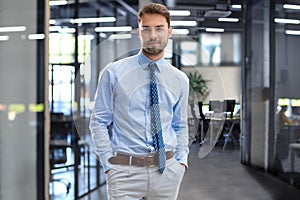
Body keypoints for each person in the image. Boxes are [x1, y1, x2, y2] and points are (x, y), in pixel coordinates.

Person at [89, 3, 189, 200]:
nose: (153, 35)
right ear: (139, 32)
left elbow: (180, 125)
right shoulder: (114, 73)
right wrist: (109, 166)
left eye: (159, 28)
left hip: (167, 171)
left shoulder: (179, 79)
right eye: (147, 29)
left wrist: (181, 163)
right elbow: (98, 121)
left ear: (169, 32)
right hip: (124, 172)